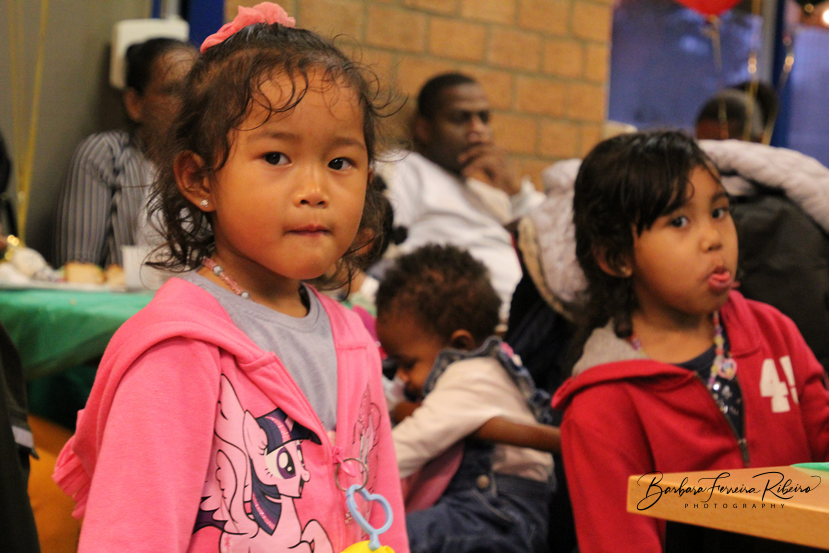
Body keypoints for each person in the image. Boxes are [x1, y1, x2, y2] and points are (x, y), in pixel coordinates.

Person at [53, 4, 408, 552]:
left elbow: (383, 518)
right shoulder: (180, 352)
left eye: (340, 162)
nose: (315, 190)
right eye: (276, 156)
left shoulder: (353, 339)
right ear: (200, 179)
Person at [552, 130, 829, 553]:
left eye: (719, 211)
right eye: (679, 222)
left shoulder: (773, 333)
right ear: (617, 258)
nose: (714, 238)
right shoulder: (602, 408)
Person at [376, 243, 559, 553]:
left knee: (392, 540)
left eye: (407, 364)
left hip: (500, 515)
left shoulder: (473, 377)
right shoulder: (474, 370)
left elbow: (414, 441)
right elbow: (392, 401)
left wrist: (355, 474)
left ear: (460, 345)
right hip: (480, 506)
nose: (402, 377)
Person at [375, 73, 544, 321]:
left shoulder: (489, 194)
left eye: (483, 118)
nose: (477, 129)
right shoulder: (404, 169)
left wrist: (515, 190)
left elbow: (552, 247)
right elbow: (379, 258)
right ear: (424, 128)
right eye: (460, 118)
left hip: (525, 322)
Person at [54, 37, 196, 268]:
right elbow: (78, 269)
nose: (192, 103)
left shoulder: (217, 165)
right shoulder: (106, 155)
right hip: (117, 291)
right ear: (135, 103)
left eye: (197, 89)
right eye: (174, 91)